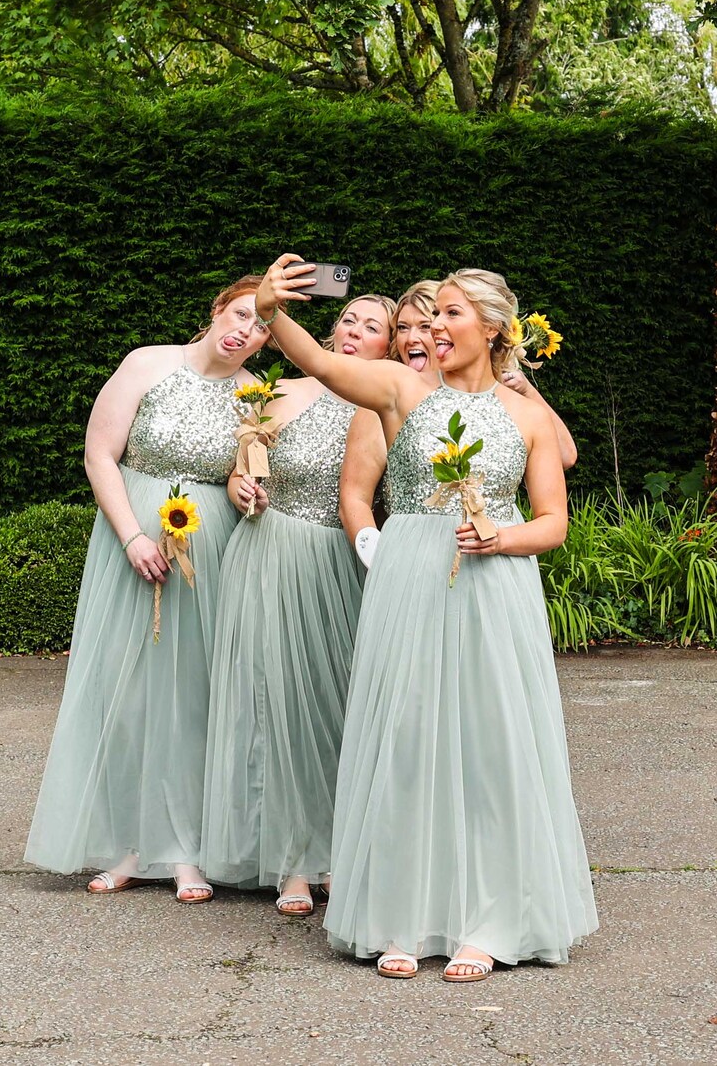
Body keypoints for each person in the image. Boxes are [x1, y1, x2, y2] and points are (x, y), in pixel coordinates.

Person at [254, 255, 598, 979]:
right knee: (405, 740)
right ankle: (399, 913)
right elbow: (314, 356)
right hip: (409, 578)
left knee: (489, 747)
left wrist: (499, 536)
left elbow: (555, 522)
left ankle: (491, 919)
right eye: (430, 313)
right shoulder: (403, 390)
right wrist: (269, 307)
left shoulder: (527, 415)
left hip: (493, 588)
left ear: (494, 328)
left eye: (449, 313)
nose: (430, 327)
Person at [25, 276, 271, 903]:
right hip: (130, 532)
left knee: (195, 694)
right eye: (240, 313)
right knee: (126, 691)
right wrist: (133, 536)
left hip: (210, 546)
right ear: (216, 310)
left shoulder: (254, 396)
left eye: (261, 324)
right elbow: (99, 454)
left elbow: (248, 475)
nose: (245, 329)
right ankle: (129, 844)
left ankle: (186, 848)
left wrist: (243, 491)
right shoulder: (148, 363)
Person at [201, 290, 396, 916]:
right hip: (268, 554)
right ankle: (291, 861)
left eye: (372, 327)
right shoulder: (278, 392)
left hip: (339, 562)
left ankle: (341, 849)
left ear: (389, 347)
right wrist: (242, 488)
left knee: (336, 703)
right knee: (273, 702)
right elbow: (241, 472)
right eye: (347, 318)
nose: (354, 331)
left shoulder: (385, 400)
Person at [339, 280, 577, 556]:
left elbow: (565, 455)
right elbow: (354, 497)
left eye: (425, 326)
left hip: (491, 554)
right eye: (402, 328)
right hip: (412, 553)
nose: (410, 338)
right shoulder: (386, 404)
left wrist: (524, 388)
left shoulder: (505, 403)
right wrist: (379, 558)